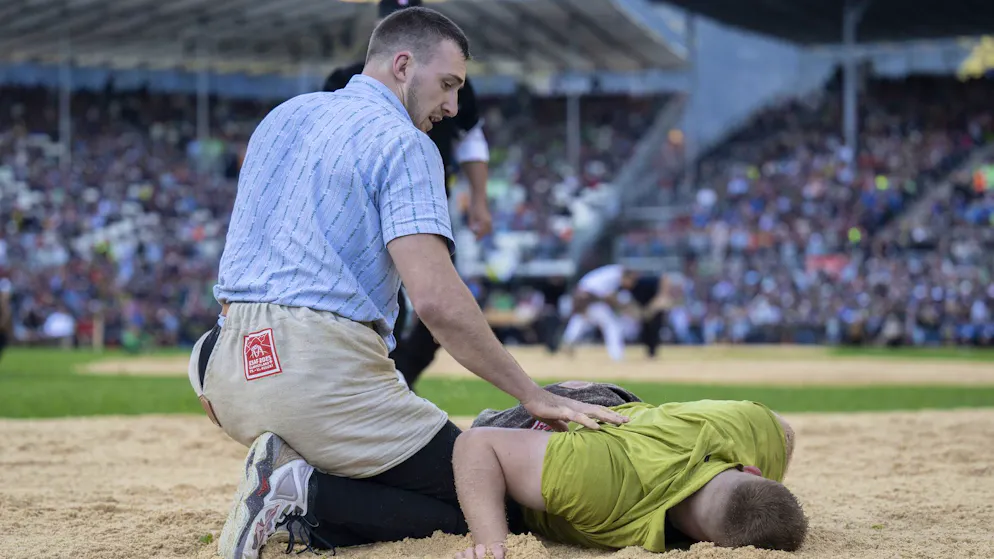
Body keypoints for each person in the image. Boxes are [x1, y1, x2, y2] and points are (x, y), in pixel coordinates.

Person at [186, 8, 627, 559]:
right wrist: (531, 396)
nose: (452, 106)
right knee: (492, 499)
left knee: (400, 472)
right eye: (448, 84)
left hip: (229, 370)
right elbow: (437, 303)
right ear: (402, 65)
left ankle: (291, 475)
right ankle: (304, 495)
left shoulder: (282, 116)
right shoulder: (404, 142)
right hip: (317, 378)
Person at [323, 0, 493, 390]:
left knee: (441, 301)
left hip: (430, 202)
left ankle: (399, 378)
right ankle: (379, 382)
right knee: (383, 298)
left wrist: (479, 201)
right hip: (361, 205)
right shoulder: (344, 79)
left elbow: (471, 139)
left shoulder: (449, 79)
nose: (448, 103)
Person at [453, 395, 806, 558]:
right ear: (707, 547)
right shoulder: (603, 481)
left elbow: (782, 430)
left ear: (753, 470)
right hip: (540, 425)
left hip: (619, 410)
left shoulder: (748, 433)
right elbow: (477, 444)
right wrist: (494, 545)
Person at [560, 264, 640, 361]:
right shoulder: (615, 275)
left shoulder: (615, 271)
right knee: (611, 325)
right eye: (632, 280)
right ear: (627, 276)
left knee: (581, 321)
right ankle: (617, 356)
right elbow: (608, 296)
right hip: (589, 298)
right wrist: (622, 307)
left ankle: (567, 342)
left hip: (586, 296)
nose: (633, 284)